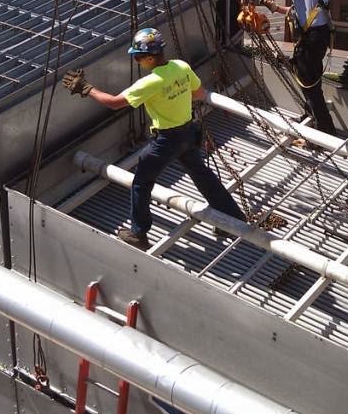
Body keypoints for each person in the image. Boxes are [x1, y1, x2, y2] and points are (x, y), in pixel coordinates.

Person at [62, 27, 245, 250]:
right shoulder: (181, 66)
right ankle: (232, 217)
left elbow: (114, 103)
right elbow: (198, 94)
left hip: (167, 141)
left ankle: (139, 233)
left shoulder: (150, 83)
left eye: (137, 57)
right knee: (202, 174)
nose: (137, 61)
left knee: (141, 182)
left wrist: (86, 88)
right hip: (189, 132)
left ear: (149, 57)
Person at [237, 0, 337, 135]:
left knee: (309, 83)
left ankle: (325, 132)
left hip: (312, 37)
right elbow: (302, 11)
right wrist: (276, 9)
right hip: (320, 35)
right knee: (309, 79)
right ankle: (313, 117)